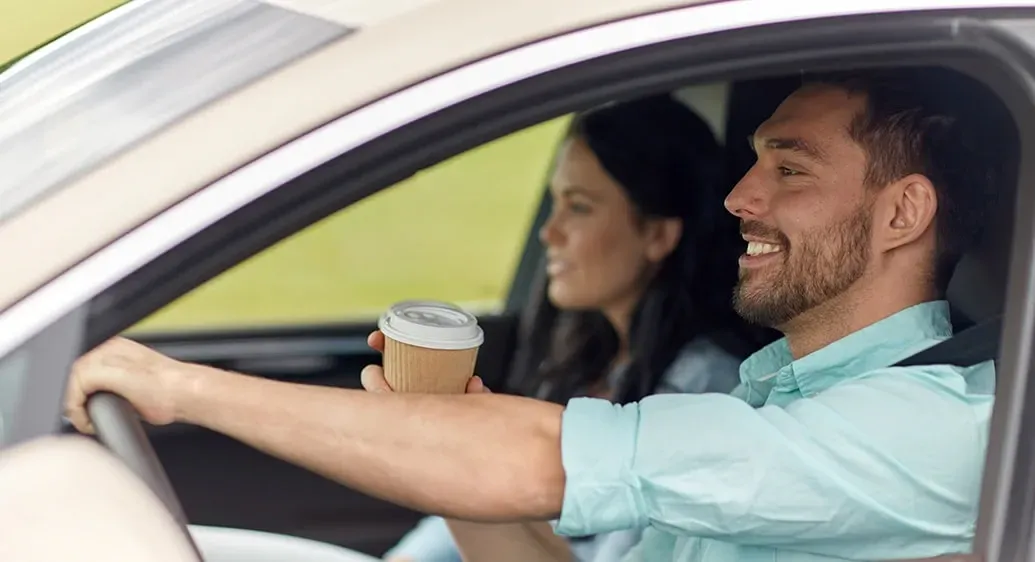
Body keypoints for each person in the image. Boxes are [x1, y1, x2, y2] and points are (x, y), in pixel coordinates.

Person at [65, 68, 1011, 560]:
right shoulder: (783, 399)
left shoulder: (941, 428)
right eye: (755, 159)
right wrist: (432, 449)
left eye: (788, 169)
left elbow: (533, 460)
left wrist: (174, 385)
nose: (738, 197)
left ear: (902, 214)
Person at [384, 96, 765, 562]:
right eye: (556, 203)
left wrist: (451, 464)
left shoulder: (705, 391)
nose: (551, 232)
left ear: (657, 235)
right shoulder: (586, 357)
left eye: (579, 207)